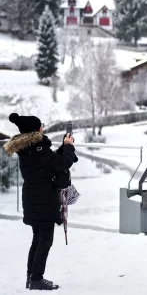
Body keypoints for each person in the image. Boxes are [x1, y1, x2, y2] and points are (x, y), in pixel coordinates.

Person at [3, 113, 77, 291]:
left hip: (32, 197)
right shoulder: (39, 148)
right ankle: (36, 279)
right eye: (41, 125)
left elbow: (51, 162)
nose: (43, 127)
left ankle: (31, 277)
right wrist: (68, 147)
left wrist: (63, 148)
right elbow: (63, 164)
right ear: (36, 129)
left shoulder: (28, 147)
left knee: (37, 240)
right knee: (44, 241)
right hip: (43, 199)